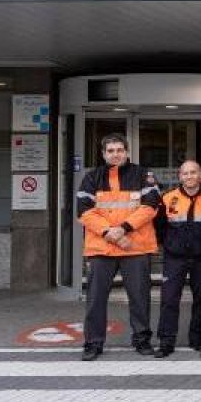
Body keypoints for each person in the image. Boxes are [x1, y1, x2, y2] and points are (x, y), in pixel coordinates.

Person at [76, 133, 160, 361]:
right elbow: (84, 211)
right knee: (95, 299)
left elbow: (151, 206)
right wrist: (108, 233)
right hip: (101, 248)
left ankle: (142, 340)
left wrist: (123, 228)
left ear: (127, 152)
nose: (115, 154)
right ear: (103, 154)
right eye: (110, 151)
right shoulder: (91, 178)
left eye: (119, 150)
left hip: (135, 247)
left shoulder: (144, 175)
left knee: (140, 297)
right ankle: (93, 343)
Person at [154, 160, 201, 358]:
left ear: (200, 175)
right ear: (180, 177)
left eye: (193, 172)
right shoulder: (167, 198)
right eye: (185, 173)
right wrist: (169, 245)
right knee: (169, 299)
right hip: (174, 258)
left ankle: (196, 339)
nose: (189, 176)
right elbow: (159, 227)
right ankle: (166, 341)